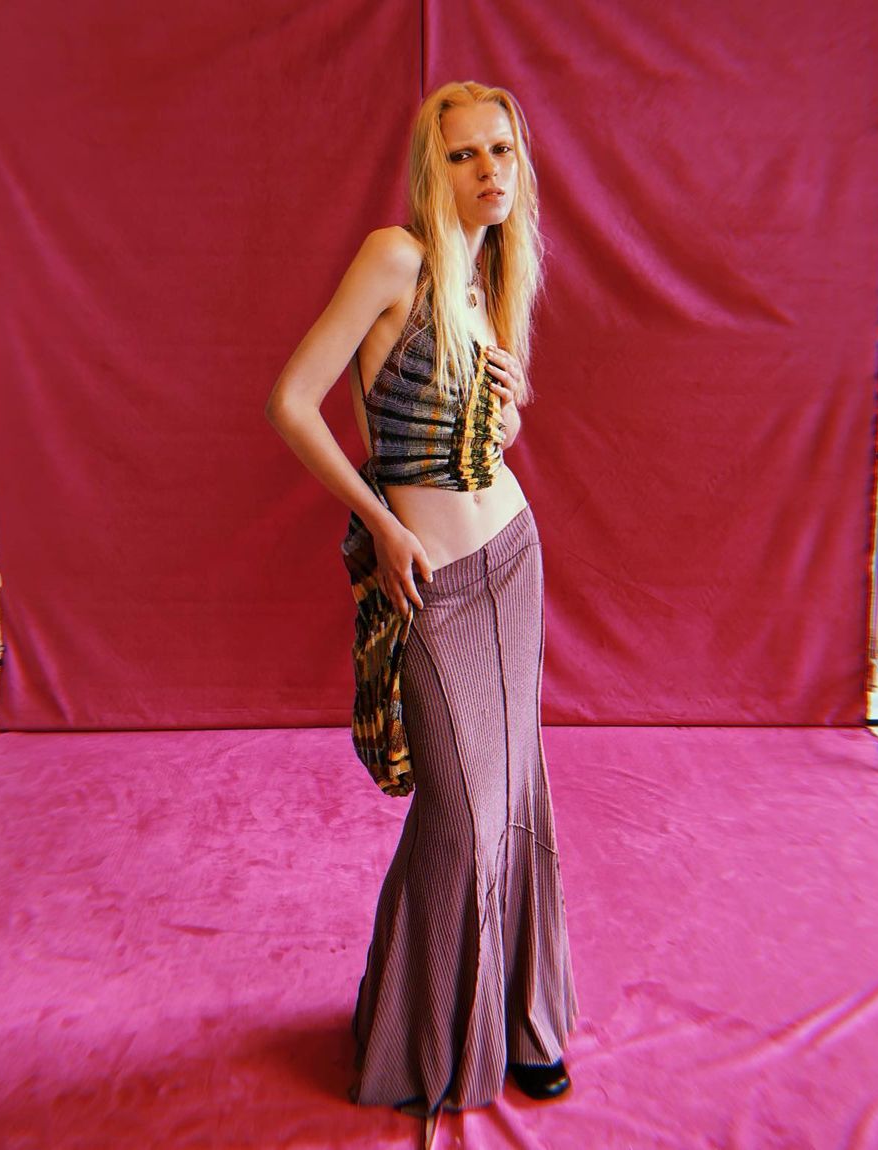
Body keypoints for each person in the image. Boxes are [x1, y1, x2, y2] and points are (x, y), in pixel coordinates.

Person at [265, 80, 577, 1144]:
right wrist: (381, 524)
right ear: (430, 169)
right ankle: (419, 1037)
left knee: (518, 792)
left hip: (513, 560)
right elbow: (291, 400)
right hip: (434, 579)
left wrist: (502, 411)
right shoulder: (394, 258)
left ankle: (525, 1024)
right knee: (462, 812)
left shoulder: (486, 282)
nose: (489, 170)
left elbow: (466, 445)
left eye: (502, 151)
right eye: (464, 154)